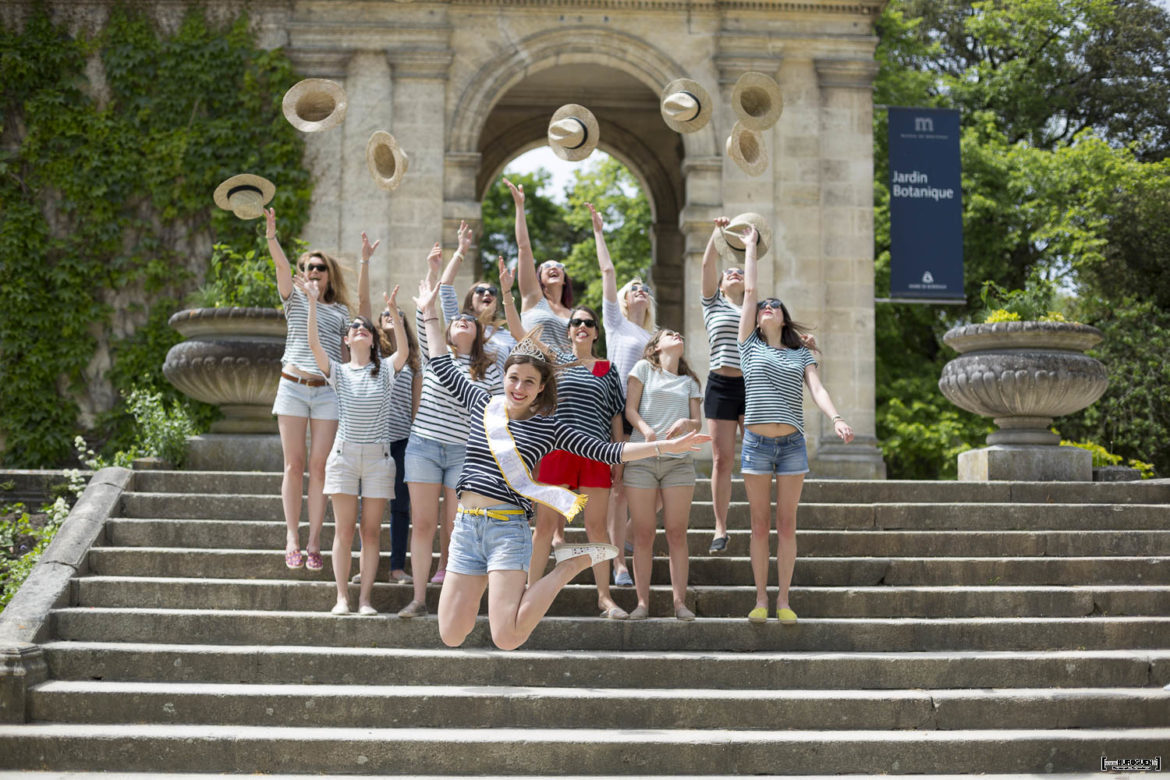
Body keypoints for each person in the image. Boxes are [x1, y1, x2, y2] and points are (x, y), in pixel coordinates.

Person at [413, 278, 710, 650]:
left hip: (507, 532)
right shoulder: (482, 403)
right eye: (513, 378)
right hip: (466, 530)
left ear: (541, 388)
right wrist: (428, 313)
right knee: (451, 634)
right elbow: (441, 364)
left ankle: (567, 567)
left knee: (506, 638)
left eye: (529, 381)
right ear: (503, 379)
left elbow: (609, 451)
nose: (519, 387)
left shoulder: (550, 427)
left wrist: (666, 446)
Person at [737, 225, 853, 625]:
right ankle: (760, 599)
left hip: (791, 445)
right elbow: (750, 293)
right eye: (763, 306)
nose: (766, 306)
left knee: (786, 524)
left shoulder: (801, 354)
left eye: (775, 305)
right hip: (755, 442)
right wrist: (751, 247)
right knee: (758, 524)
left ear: (783, 316)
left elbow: (818, 390)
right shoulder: (748, 344)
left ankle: (784, 600)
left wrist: (836, 418)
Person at [399, 244, 504, 619]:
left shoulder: (491, 371)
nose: (461, 321)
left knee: (460, 526)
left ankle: (454, 599)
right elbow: (426, 307)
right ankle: (418, 598)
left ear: (477, 332)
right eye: (457, 319)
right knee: (424, 523)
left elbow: (494, 416)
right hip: (424, 446)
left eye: (468, 321)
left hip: (465, 452)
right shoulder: (434, 352)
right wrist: (434, 267)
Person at [296, 269, 408, 615]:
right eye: (353, 328)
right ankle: (342, 597)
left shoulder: (386, 370)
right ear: (346, 340)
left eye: (366, 328)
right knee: (344, 531)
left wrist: (394, 310)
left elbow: (404, 350)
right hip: (344, 457)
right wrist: (313, 303)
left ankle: (364, 600)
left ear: (374, 340)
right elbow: (314, 344)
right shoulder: (338, 372)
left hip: (378, 459)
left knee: (371, 532)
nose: (359, 330)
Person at [264, 207, 355, 573]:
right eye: (309, 267)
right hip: (292, 386)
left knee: (319, 468)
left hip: (327, 392)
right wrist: (272, 237)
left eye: (320, 267)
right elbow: (282, 269)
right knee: (293, 465)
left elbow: (347, 359)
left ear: (329, 274)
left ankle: (315, 541)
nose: (313, 272)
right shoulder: (294, 298)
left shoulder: (342, 312)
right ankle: (291, 538)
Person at [527, 306, 628, 619]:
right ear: (569, 330)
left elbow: (615, 415)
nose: (582, 326)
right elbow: (522, 334)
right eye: (576, 322)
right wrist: (506, 292)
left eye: (588, 322)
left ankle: (604, 598)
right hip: (557, 451)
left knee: (596, 527)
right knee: (544, 526)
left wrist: (618, 456)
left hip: (596, 453)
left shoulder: (608, 369)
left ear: (596, 332)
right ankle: (530, 594)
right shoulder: (556, 360)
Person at [588, 202, 656, 588]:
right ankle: (619, 565)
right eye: (635, 290)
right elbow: (608, 272)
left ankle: (626, 537)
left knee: (648, 490)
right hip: (615, 413)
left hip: (646, 417)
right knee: (616, 491)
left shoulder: (653, 337)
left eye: (644, 289)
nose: (640, 292)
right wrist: (600, 231)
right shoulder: (614, 325)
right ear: (626, 301)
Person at [624, 329, 703, 620]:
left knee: (676, 533)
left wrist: (686, 422)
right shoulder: (643, 368)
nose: (678, 335)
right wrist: (647, 431)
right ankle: (642, 604)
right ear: (656, 347)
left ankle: (679, 603)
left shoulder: (690, 381)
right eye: (669, 334)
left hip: (678, 463)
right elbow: (630, 410)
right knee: (643, 534)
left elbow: (698, 423)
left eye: (680, 334)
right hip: (643, 457)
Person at [699, 217, 742, 554]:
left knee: (757, 455)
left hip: (751, 386)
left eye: (738, 271)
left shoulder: (757, 309)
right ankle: (720, 527)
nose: (733, 273)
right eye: (729, 273)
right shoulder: (713, 304)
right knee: (721, 460)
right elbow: (707, 263)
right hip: (720, 386)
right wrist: (718, 232)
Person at [436, 220, 524, 375]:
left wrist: (507, 291)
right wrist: (461, 251)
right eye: (480, 291)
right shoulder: (459, 323)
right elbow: (445, 287)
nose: (487, 294)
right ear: (470, 302)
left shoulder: (506, 335)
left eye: (492, 291)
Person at [378, 295, 422, 584]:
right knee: (366, 507)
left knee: (400, 507)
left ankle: (396, 568)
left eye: (397, 315)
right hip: (371, 440)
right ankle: (363, 567)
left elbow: (415, 407)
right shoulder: (371, 355)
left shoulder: (414, 363)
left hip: (402, 441)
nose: (391, 317)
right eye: (385, 314)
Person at [506, 178, 573, 350]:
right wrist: (520, 207)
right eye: (546, 266)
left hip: (566, 375)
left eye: (559, 266)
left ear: (565, 279)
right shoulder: (533, 299)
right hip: (534, 370)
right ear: (539, 278)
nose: (553, 267)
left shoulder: (574, 315)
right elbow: (524, 248)